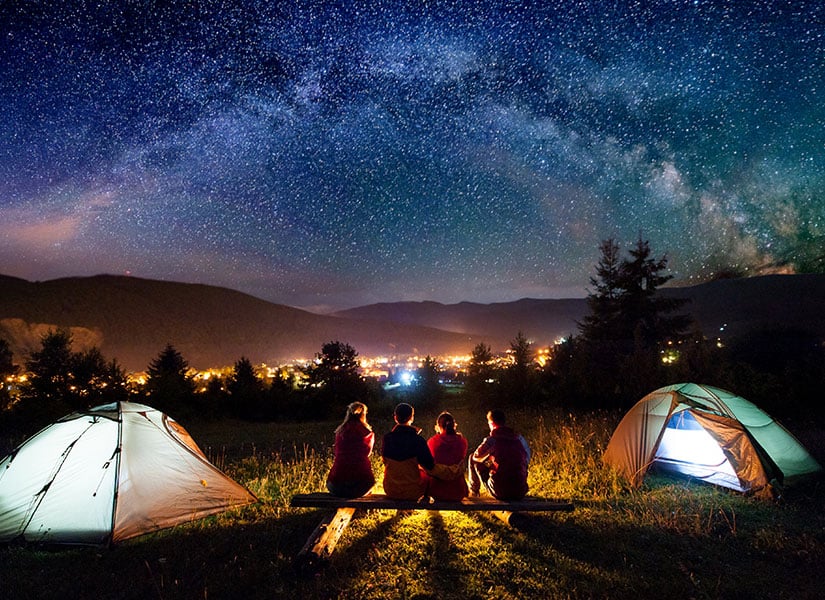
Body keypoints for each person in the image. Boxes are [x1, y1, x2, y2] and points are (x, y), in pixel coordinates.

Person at [468, 409, 531, 501]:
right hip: (520, 491)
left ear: (492, 424)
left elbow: (476, 457)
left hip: (500, 491)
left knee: (471, 457)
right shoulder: (519, 439)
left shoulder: (492, 440)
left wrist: (488, 456)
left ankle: (474, 492)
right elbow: (526, 460)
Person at [381, 402, 435, 500]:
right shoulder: (418, 440)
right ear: (411, 417)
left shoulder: (387, 438)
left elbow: (385, 461)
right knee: (425, 474)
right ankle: (425, 499)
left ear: (395, 417)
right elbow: (429, 464)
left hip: (390, 490)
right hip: (413, 491)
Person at [326, 401, 375, 498]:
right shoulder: (367, 433)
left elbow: (336, 452)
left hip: (336, 485)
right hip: (360, 485)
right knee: (370, 484)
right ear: (363, 415)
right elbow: (367, 453)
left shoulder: (340, 432)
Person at [425, 412, 469, 501]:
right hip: (458, 492)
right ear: (454, 425)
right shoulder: (462, 441)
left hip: (437, 491)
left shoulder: (432, 441)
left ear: (438, 426)